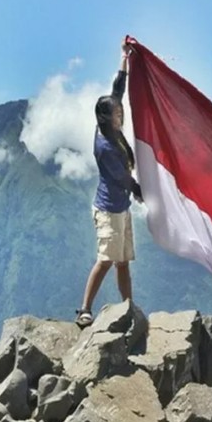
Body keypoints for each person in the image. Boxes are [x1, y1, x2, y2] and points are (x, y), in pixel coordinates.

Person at [75, 39, 142, 328]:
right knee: (105, 260)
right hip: (109, 211)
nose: (121, 113)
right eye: (116, 113)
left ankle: (128, 307)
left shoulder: (111, 130)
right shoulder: (106, 146)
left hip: (120, 209)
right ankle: (85, 310)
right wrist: (144, 191)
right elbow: (123, 178)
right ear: (106, 118)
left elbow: (118, 90)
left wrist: (123, 58)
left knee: (123, 261)